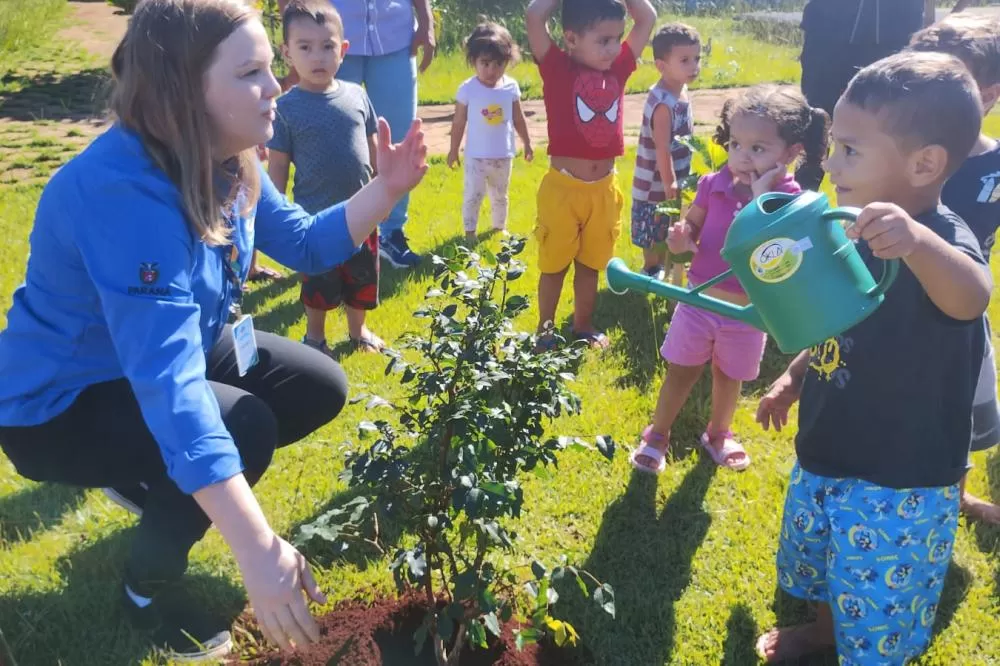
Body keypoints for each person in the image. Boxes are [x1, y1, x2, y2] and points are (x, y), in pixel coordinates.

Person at [0, 0, 428, 661]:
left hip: (155, 355)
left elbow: (311, 244)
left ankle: (159, 480)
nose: (278, 86)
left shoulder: (231, 160)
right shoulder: (123, 195)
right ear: (183, 89)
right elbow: (170, 388)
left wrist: (389, 188)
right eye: (252, 71)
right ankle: (147, 590)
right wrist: (256, 549)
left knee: (317, 384)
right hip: (60, 403)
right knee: (242, 424)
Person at [755, 52, 990, 664]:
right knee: (829, 558)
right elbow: (833, 321)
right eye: (834, 145)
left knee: (879, 589)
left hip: (900, 473)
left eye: (850, 151)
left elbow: (972, 298)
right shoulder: (847, 228)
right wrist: (793, 376)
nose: (830, 162)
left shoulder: (942, 239)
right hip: (831, 445)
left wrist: (917, 244)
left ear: (925, 164)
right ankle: (825, 633)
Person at [629, 85, 826, 474]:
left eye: (758, 148)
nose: (742, 157)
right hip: (700, 300)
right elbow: (690, 239)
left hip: (748, 311)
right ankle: (658, 433)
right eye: (736, 144)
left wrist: (759, 196)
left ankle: (718, 432)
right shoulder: (712, 184)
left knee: (729, 374)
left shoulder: (790, 200)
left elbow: (777, 253)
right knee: (681, 370)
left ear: (790, 153)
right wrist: (682, 239)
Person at [909, 13, 1000, 525]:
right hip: (898, 299)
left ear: (988, 94)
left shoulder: (995, 164)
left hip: (962, 309)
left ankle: (957, 494)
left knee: (960, 407)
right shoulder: (906, 154)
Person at [525, 0, 657, 350]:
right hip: (563, 190)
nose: (614, 48)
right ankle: (546, 330)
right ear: (571, 38)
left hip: (604, 190)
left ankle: (582, 325)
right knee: (554, 265)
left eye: (617, 39)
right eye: (603, 40)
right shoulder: (556, 68)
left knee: (591, 263)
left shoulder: (619, 69)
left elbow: (647, 18)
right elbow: (535, 15)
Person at [277, 0, 436, 269]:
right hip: (329, 36)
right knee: (331, 143)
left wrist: (426, 20)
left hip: (394, 35)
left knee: (393, 140)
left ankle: (390, 234)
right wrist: (299, 41)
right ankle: (324, 235)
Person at [268, 0, 385, 355]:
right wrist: (274, 215)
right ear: (287, 53)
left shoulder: (358, 96)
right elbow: (277, 170)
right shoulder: (286, 108)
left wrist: (385, 190)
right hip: (314, 221)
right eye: (305, 47)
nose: (317, 57)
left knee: (362, 280)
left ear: (343, 50)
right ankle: (315, 338)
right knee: (319, 286)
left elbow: (374, 149)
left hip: (362, 213)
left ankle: (358, 331)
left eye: (327, 46)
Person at [795, 0, 972, 190]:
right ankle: (797, 203)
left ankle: (875, 205)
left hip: (893, 36)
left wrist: (951, 17)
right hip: (828, 30)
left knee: (887, 125)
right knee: (816, 118)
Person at [447, 22, 534, 243]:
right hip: (476, 156)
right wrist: (453, 150)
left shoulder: (510, 87)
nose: (491, 70)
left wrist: (527, 143)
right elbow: (458, 122)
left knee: (500, 195)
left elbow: (518, 118)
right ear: (473, 61)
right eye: (485, 63)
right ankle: (469, 232)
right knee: (473, 195)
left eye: (498, 64)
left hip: (503, 155)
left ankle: (499, 228)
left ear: (507, 62)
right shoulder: (467, 89)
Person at [630, 22, 700, 284]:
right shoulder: (662, 103)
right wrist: (669, 180)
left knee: (670, 222)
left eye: (696, 58)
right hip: (654, 182)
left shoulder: (681, 91)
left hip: (677, 175)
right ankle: (651, 268)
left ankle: (667, 267)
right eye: (685, 60)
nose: (693, 66)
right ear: (661, 65)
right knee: (652, 225)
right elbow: (662, 147)